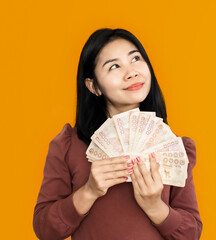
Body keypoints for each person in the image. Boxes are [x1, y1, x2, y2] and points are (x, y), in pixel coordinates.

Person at [33, 28, 202, 240]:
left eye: (136, 58)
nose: (131, 72)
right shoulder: (68, 145)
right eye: (114, 66)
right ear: (93, 86)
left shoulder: (173, 148)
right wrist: (89, 191)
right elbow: (45, 229)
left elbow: (191, 234)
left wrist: (155, 207)